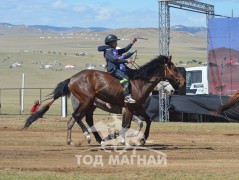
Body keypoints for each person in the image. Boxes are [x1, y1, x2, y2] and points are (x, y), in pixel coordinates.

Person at [98, 34, 137, 103]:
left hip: (117, 68)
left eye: (116, 41)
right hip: (113, 69)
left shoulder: (114, 50)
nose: (116, 43)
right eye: (115, 42)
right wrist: (126, 61)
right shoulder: (108, 51)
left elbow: (124, 50)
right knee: (125, 78)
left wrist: (132, 43)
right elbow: (114, 60)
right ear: (111, 43)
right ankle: (127, 97)